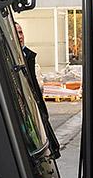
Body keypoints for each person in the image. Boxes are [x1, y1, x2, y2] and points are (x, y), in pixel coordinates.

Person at [15, 21, 60, 158]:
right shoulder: (9, 59)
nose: (20, 36)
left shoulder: (28, 58)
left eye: (21, 32)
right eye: (16, 33)